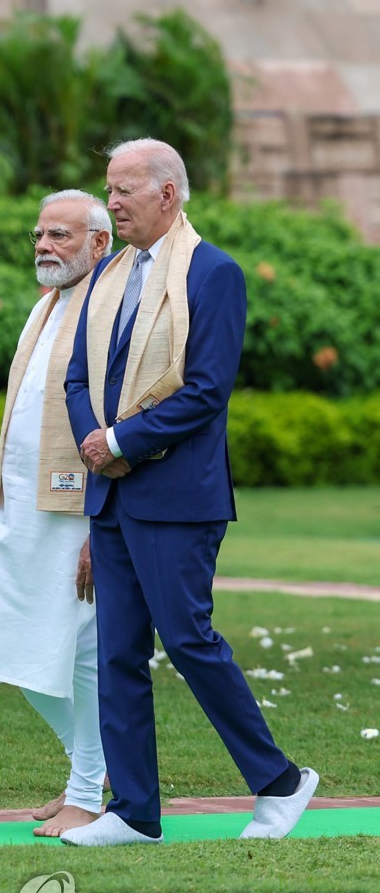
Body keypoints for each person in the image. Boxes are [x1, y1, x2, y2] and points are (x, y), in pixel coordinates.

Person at [62, 138, 317, 847]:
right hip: (111, 498)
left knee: (188, 639)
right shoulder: (109, 274)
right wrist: (94, 441)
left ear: (168, 194)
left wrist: (117, 444)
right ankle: (135, 812)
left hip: (178, 496)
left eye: (124, 190)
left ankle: (281, 782)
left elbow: (206, 391)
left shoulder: (214, 273)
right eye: (108, 188)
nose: (110, 202)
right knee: (116, 652)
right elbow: (77, 377)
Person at [0, 190, 113, 837]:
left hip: (75, 511)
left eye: (60, 235)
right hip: (16, 504)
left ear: (98, 242)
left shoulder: (109, 310)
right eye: (39, 236)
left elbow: (115, 423)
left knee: (77, 655)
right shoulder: (48, 302)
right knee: (8, 644)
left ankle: (86, 789)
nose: (44, 247)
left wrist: (99, 526)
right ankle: (89, 771)